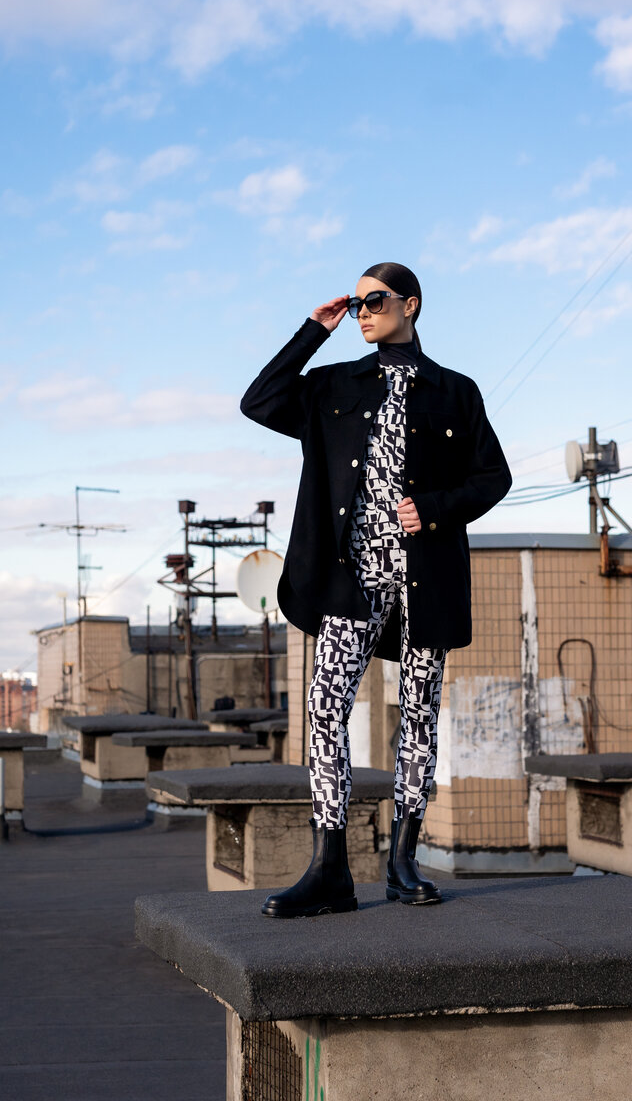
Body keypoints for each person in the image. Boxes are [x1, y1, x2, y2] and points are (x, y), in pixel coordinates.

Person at [239, 262, 512, 917]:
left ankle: (403, 863)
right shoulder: (332, 385)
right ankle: (329, 869)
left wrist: (436, 508)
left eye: (375, 300)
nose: (363, 312)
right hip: (350, 577)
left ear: (409, 305)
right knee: (325, 707)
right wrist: (313, 331)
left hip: (426, 577)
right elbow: (260, 401)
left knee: (418, 713)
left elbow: (493, 477)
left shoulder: (455, 391)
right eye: (357, 302)